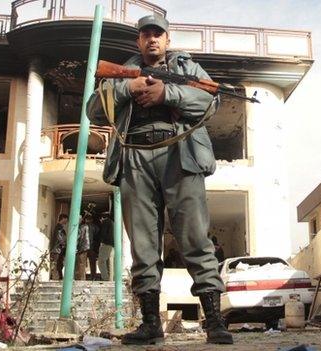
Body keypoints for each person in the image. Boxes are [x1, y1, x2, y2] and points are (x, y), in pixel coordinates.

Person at [87, 14, 232, 345]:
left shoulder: (187, 68)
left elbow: (212, 100)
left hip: (179, 153)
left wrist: (169, 94)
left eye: (158, 34)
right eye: (146, 34)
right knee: (143, 244)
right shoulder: (123, 71)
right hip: (134, 154)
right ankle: (151, 323)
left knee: (195, 238)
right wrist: (129, 87)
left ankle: (214, 321)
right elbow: (93, 109)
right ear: (138, 41)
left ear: (167, 39)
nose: (152, 39)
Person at [50, 214, 68, 280]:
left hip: (58, 249)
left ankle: (59, 277)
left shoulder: (60, 227)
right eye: (66, 220)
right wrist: (64, 244)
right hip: (57, 249)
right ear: (63, 218)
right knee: (57, 264)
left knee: (59, 264)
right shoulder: (59, 228)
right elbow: (59, 238)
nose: (66, 221)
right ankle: (56, 277)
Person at [97, 212, 114, 281]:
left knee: (101, 262)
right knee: (110, 262)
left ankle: (105, 278)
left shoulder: (105, 222)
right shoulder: (112, 222)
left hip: (106, 243)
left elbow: (103, 234)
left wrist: (101, 241)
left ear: (102, 218)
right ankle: (111, 278)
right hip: (112, 245)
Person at [75, 216, 91, 280]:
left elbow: (79, 238)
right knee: (82, 263)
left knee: (80, 263)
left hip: (82, 247)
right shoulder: (85, 226)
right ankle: (82, 277)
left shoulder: (81, 227)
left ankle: (80, 278)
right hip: (85, 246)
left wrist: (76, 246)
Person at [86, 215, 101, 280]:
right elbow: (98, 236)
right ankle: (93, 276)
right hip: (92, 246)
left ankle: (81, 276)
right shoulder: (95, 227)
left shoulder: (83, 226)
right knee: (92, 263)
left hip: (84, 246)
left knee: (81, 262)